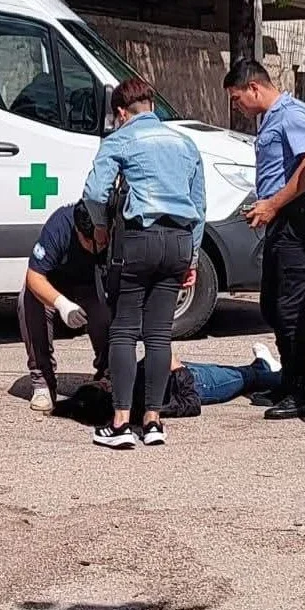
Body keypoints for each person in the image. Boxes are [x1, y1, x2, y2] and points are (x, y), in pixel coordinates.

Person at [82, 77, 205, 449]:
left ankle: (120, 423)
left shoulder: (121, 139)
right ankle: (153, 421)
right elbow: (199, 207)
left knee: (123, 330)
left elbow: (93, 191)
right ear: (151, 106)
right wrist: (193, 256)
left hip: (140, 239)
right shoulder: (186, 143)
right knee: (159, 334)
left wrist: (101, 227)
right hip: (179, 242)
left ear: (121, 112)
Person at [223, 59, 305, 420]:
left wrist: (274, 204)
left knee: (292, 309)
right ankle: (288, 379)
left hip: (300, 218)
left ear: (254, 87)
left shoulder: (293, 113)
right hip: (282, 218)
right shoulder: (270, 119)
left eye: (238, 98)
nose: (237, 106)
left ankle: (304, 392)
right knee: (272, 304)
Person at [55, 342, 305, 426]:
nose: (105, 383)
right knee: (245, 379)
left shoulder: (119, 388)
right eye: (103, 388)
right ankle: (295, 373)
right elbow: (190, 405)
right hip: (199, 384)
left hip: (180, 368)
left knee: (242, 373)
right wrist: (178, 369)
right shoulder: (143, 405)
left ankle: (270, 368)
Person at [18, 200, 110, 412]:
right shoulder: (60, 225)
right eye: (90, 241)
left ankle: (108, 374)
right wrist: (62, 304)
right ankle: (42, 381)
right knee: (28, 300)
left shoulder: (111, 226)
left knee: (111, 306)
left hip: (93, 286)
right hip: (57, 286)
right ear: (78, 230)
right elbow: (34, 276)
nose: (98, 245)